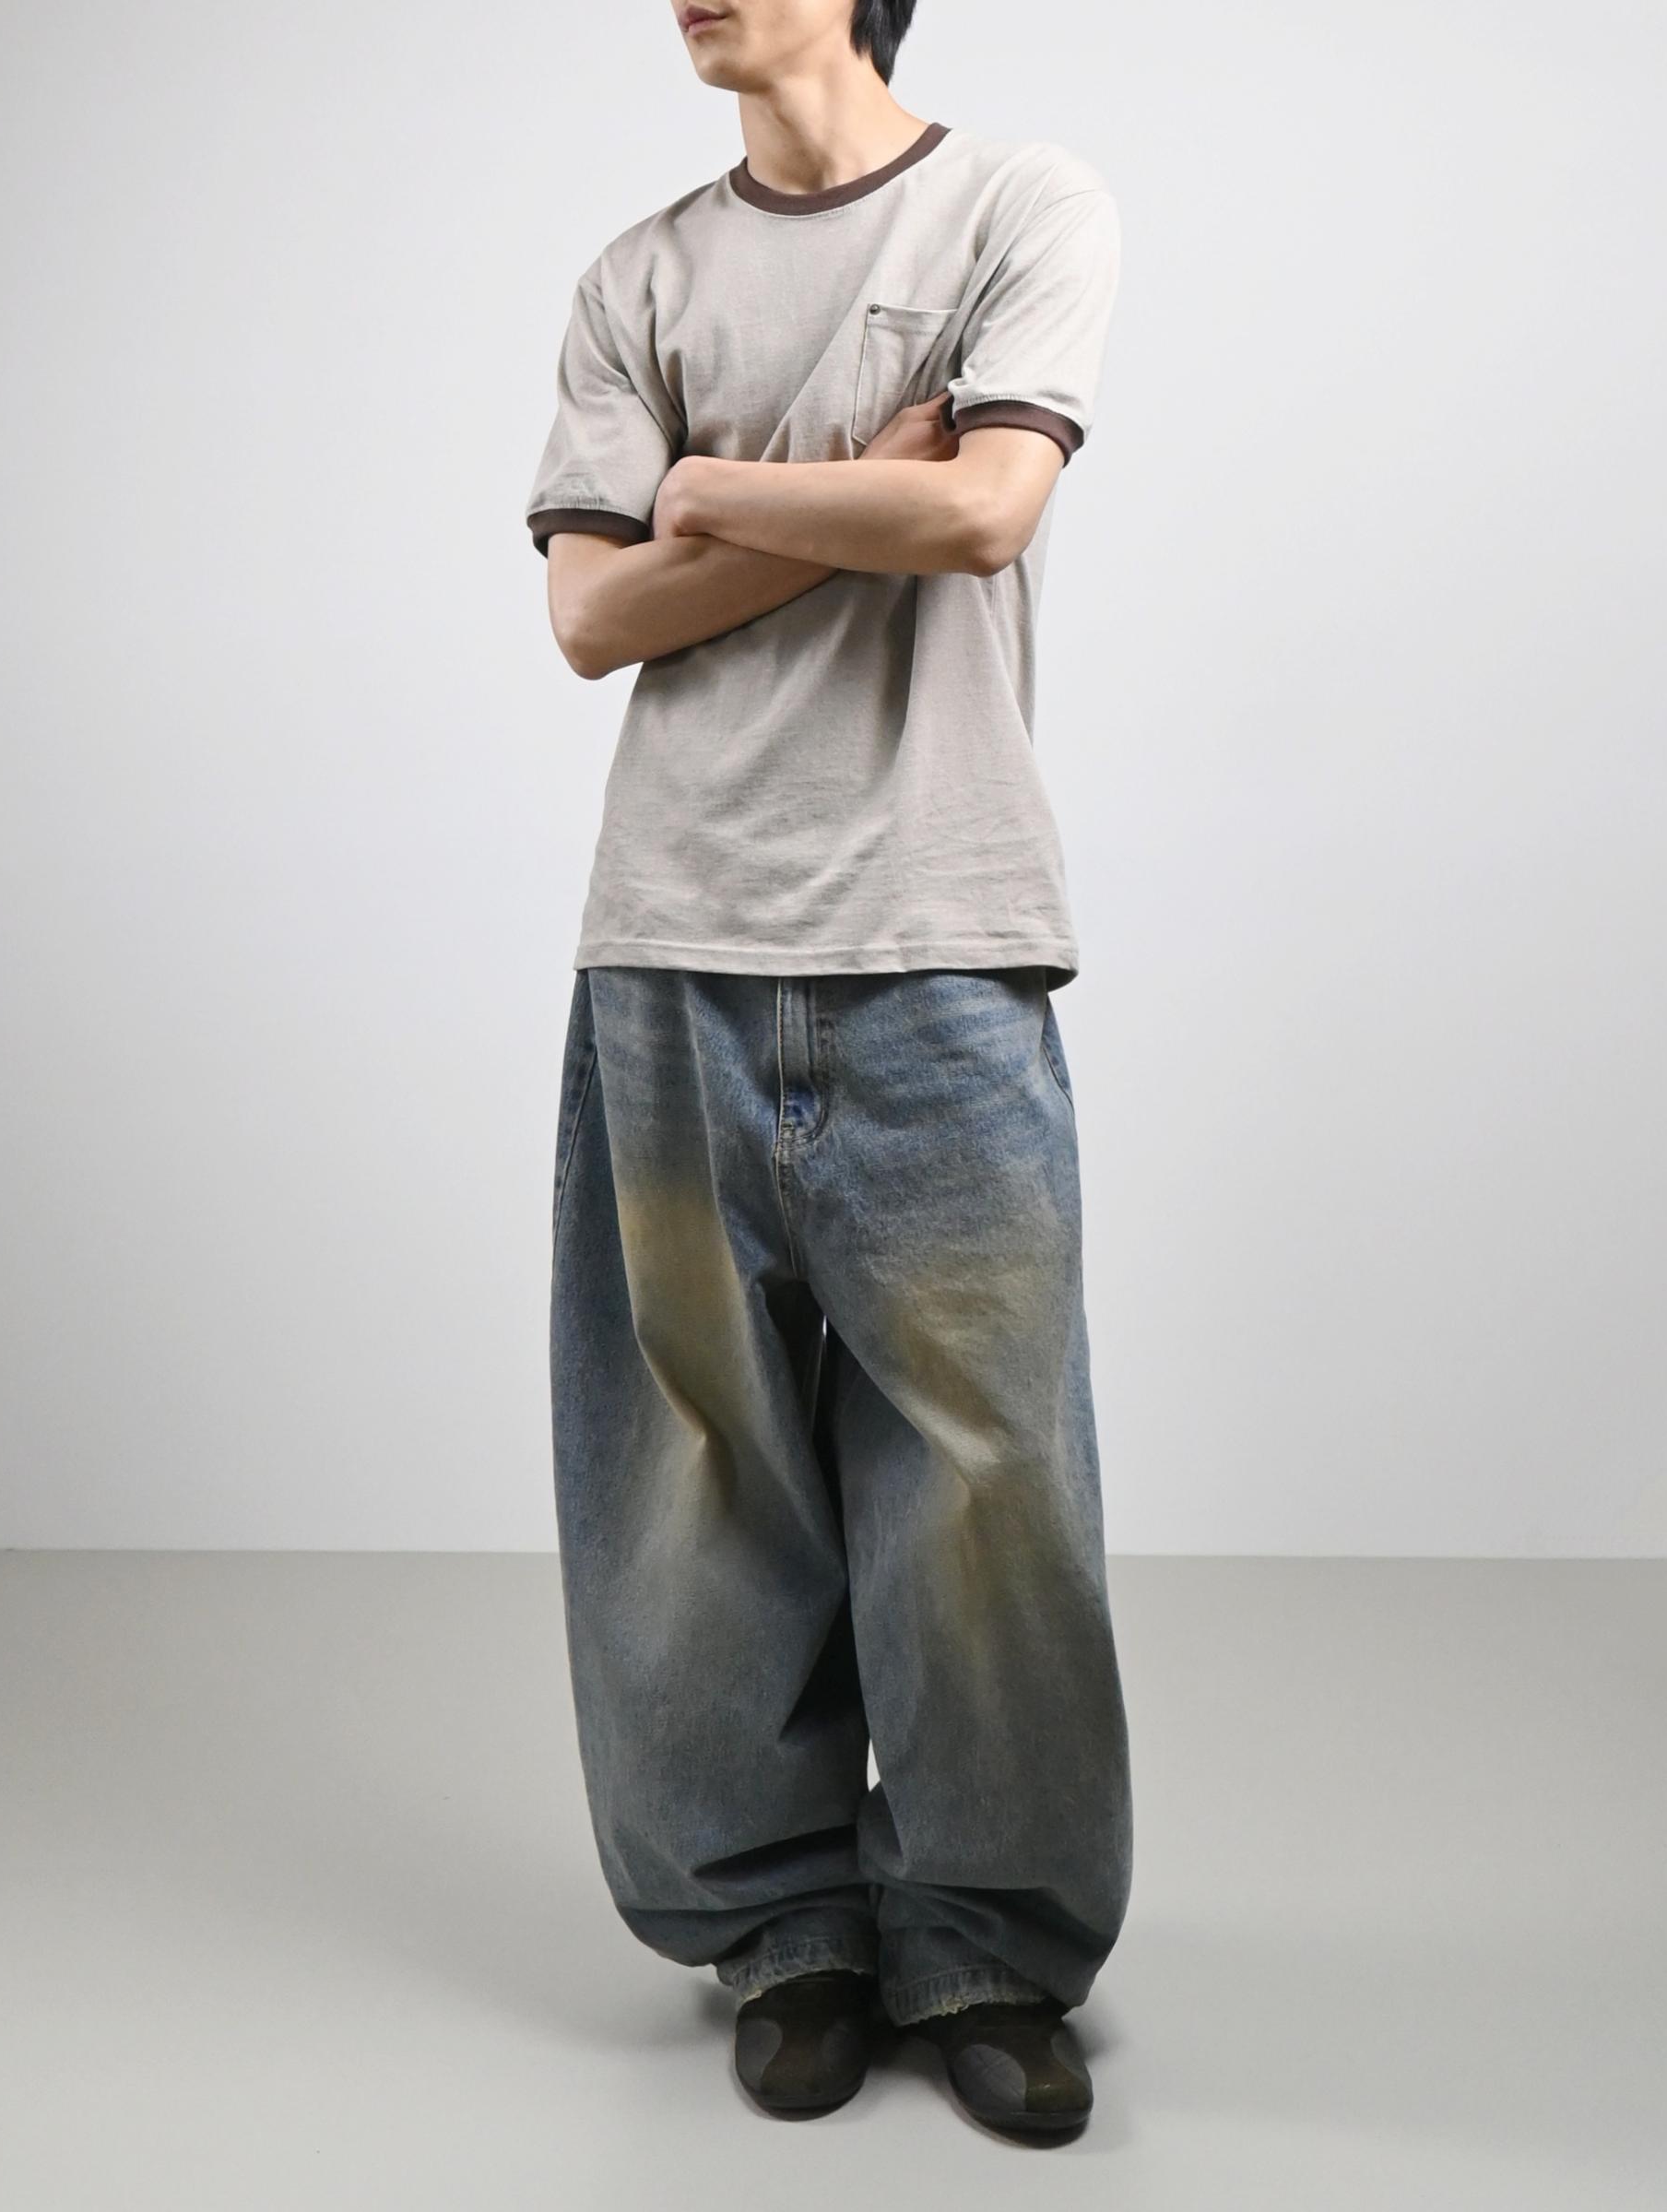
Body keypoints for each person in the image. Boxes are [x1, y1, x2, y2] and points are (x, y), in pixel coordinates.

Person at [525, 0, 1130, 2139]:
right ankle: (783, 1929)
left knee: (986, 1483)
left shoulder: (1019, 204)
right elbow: (590, 621)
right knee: (697, 1475)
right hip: (669, 937)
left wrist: (710, 499)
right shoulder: (639, 278)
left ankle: (984, 1945)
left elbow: (988, 513)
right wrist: (857, 476)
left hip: (938, 928)